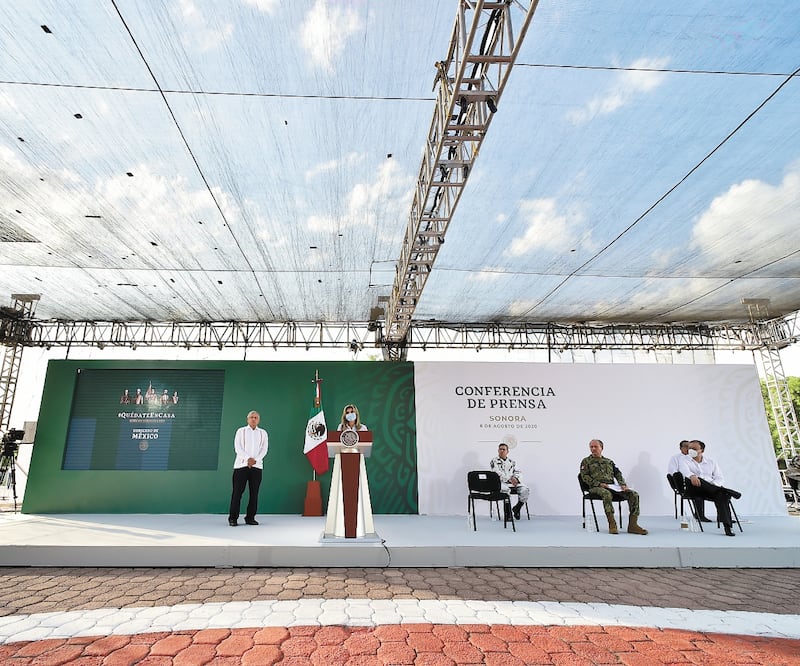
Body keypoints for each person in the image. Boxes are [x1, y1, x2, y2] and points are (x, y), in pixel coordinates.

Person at [579, 439, 648, 535]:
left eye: (596, 447)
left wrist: (622, 484)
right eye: (591, 447)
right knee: (606, 493)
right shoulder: (586, 461)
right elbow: (584, 476)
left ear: (601, 448)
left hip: (611, 486)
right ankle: (612, 524)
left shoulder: (609, 462)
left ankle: (633, 525)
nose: (593, 449)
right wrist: (598, 484)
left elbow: (618, 473)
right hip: (595, 487)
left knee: (634, 494)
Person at [679, 440, 741, 536]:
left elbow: (720, 478)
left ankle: (728, 527)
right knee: (698, 479)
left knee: (722, 496)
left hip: (710, 491)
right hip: (694, 489)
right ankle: (728, 491)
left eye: (694, 449)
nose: (691, 450)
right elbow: (684, 471)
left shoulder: (711, 462)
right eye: (689, 448)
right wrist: (692, 476)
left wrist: (713, 485)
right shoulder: (684, 460)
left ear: (702, 450)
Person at [228, 410, 269, 527]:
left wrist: (255, 460)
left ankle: (250, 518)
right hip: (241, 466)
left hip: (257, 467)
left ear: (258, 420)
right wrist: (248, 459)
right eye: (251, 417)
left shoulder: (263, 433)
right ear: (247, 419)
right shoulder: (241, 431)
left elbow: (264, 449)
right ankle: (233, 518)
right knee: (237, 493)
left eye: (256, 417)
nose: (253, 419)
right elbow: (238, 447)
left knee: (254, 493)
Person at [667, 439, 707, 521]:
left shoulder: (694, 458)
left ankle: (700, 515)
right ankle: (699, 515)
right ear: (680, 448)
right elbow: (672, 471)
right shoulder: (675, 458)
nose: (688, 448)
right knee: (678, 475)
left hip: (693, 481)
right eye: (685, 446)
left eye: (689, 447)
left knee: (700, 486)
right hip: (680, 482)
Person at [489, 442, 530, 520]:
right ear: (498, 450)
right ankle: (508, 514)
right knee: (506, 490)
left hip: (513, 483)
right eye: (500, 449)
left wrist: (516, 479)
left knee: (525, 490)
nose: (501, 451)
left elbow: (518, 472)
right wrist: (509, 479)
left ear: (507, 451)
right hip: (501, 483)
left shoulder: (512, 462)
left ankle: (517, 508)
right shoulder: (494, 461)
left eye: (503, 449)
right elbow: (496, 473)